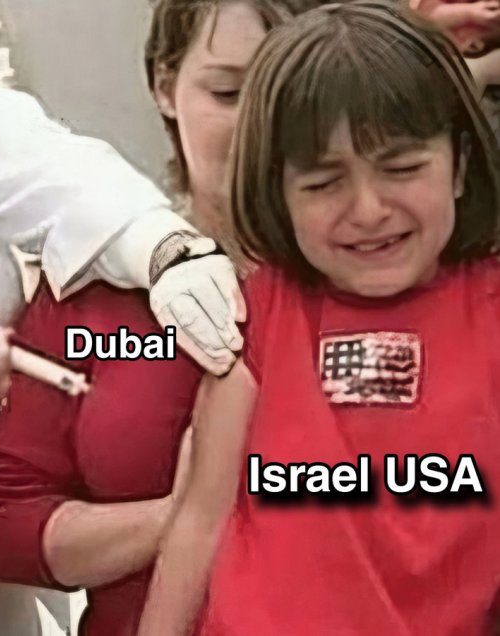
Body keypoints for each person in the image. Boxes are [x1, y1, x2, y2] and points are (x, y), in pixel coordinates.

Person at [0, 1, 247, 634]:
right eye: (227, 91)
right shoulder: (88, 319)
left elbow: (16, 167)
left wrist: (157, 244)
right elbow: (16, 524)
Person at [138, 2, 500, 634]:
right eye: (323, 183)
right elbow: (200, 519)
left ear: (460, 166)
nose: (368, 209)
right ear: (277, 192)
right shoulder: (255, 312)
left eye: (402, 168)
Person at [0, 2, 291, 635]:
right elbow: (6, 526)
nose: (260, 124)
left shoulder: (369, 286)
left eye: (286, 93)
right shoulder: (91, 292)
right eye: (228, 93)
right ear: (166, 87)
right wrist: (187, 515)